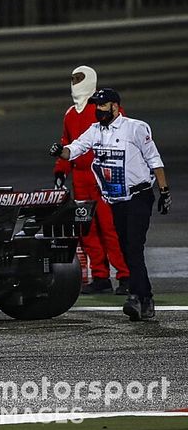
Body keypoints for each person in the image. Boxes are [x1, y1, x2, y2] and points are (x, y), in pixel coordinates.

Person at [49, 88, 171, 321]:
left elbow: (155, 161)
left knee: (133, 247)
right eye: (97, 105)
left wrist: (164, 192)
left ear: (115, 106)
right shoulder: (95, 131)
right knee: (127, 248)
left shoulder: (136, 128)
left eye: (103, 105)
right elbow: (75, 149)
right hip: (115, 198)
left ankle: (136, 296)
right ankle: (146, 300)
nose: (99, 110)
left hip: (139, 195)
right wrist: (61, 152)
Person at [54, 65, 130, 295]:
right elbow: (67, 143)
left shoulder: (104, 108)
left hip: (104, 176)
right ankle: (100, 277)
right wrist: (60, 171)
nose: (75, 83)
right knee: (87, 230)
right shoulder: (70, 114)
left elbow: (122, 135)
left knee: (111, 228)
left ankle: (126, 276)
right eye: (73, 78)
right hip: (80, 179)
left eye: (79, 79)